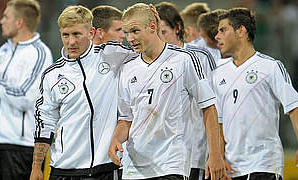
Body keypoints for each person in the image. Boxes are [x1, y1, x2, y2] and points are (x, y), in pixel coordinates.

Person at [108, 3, 226, 180]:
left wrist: (216, 155)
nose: (130, 38)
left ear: (152, 27)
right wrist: (116, 139)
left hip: (171, 164)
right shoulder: (127, 68)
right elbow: (126, 119)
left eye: (135, 31)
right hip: (134, 167)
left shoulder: (184, 60)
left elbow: (209, 107)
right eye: (126, 33)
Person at [30, 5, 137, 180]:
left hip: (105, 168)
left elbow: (147, 52)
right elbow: (45, 122)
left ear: (91, 32)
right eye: (66, 35)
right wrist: (36, 167)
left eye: (77, 34)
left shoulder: (112, 55)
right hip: (64, 169)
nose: (71, 42)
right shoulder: (52, 75)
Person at [213, 7, 298, 180]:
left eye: (223, 30)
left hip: (264, 164)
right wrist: (219, 156)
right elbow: (218, 121)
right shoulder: (217, 73)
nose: (217, 36)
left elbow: (294, 106)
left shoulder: (270, 67)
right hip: (231, 168)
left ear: (241, 31)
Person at [0, 0, 53, 179]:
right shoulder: (4, 50)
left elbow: (25, 99)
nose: (1, 21)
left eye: (6, 17)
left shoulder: (40, 53)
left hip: (20, 148)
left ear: (19, 22)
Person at [155, 2, 216, 179]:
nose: (159, 38)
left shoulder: (201, 57)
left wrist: (217, 152)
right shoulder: (150, 62)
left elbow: (215, 105)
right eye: (156, 33)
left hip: (194, 154)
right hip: (159, 158)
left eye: (163, 32)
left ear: (178, 28)